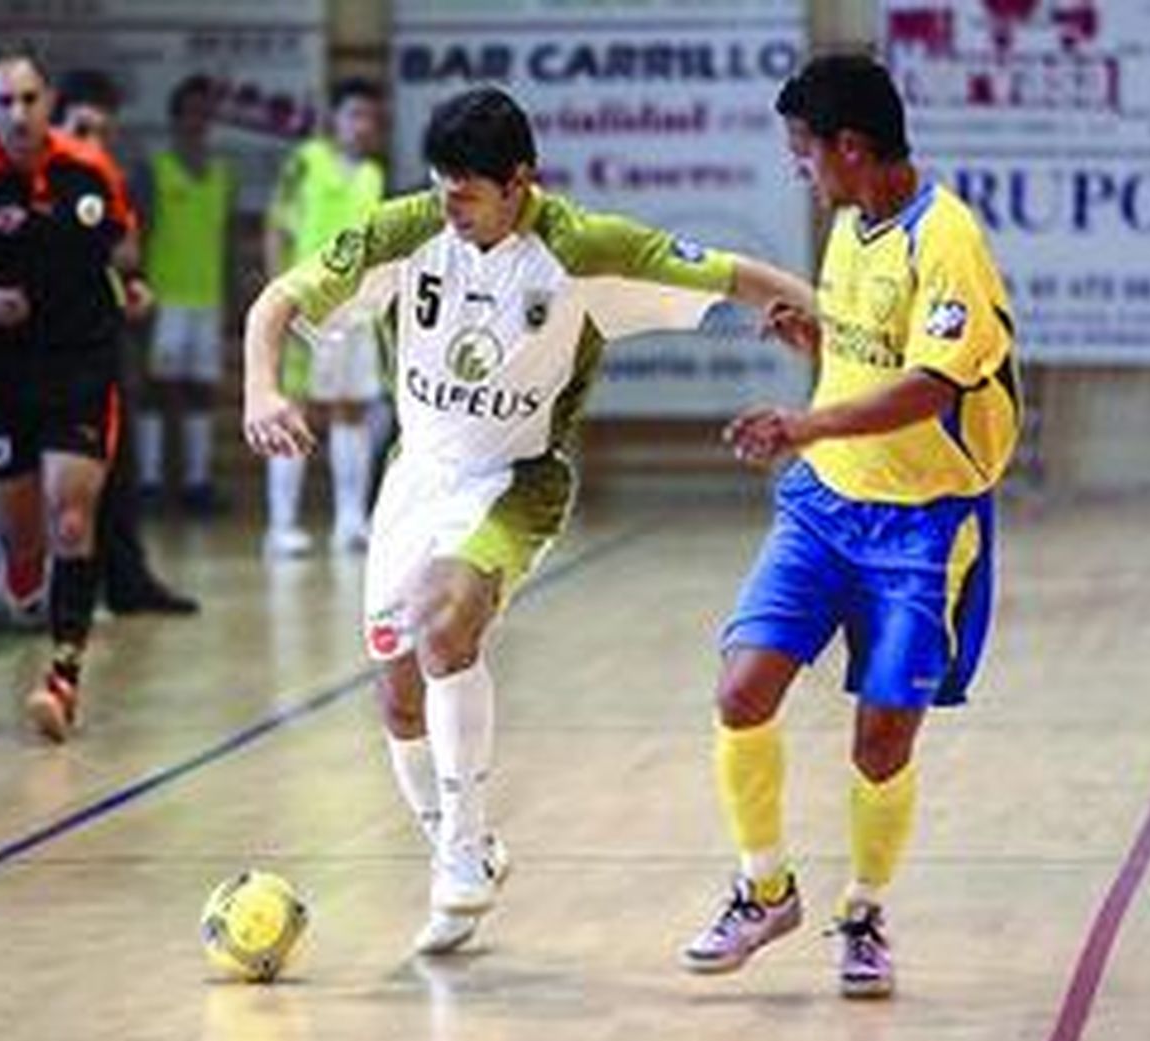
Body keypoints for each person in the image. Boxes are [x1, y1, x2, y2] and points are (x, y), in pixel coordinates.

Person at [242, 87, 811, 955]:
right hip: (416, 477)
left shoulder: (582, 250)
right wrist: (261, 387)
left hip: (516, 479)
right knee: (395, 697)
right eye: (441, 190)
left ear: (520, 183)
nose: (450, 208)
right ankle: (461, 845)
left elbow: (729, 272)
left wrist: (829, 320)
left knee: (445, 623)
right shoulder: (407, 231)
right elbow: (276, 300)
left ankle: (462, 858)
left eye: (467, 194)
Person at [678, 54, 1019, 999]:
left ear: (853, 148)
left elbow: (931, 383)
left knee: (881, 739)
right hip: (826, 504)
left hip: (922, 523)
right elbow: (874, 354)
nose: (801, 169)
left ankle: (863, 912)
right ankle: (764, 890)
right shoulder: (846, 225)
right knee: (742, 689)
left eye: (805, 152)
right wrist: (816, 342)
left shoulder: (946, 238)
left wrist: (803, 422)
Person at [0, 46, 150, 741]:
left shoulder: (91, 169)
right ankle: (20, 559)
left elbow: (124, 246)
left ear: (49, 103)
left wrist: (130, 285)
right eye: (5, 101)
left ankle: (63, 677)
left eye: (30, 99)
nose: (19, 112)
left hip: (81, 363)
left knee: (72, 518)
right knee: (24, 528)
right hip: (1, 371)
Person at [50, 68, 198, 615]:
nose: (94, 143)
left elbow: (126, 259)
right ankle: (55, 585)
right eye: (82, 129)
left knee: (119, 466)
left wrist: (135, 290)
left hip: (103, 343)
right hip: (43, 354)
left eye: (104, 132)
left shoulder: (110, 184)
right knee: (60, 478)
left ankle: (127, 579)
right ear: (55, 126)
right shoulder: (34, 186)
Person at [261, 76, 388, 557]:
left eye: (371, 118)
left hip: (357, 311)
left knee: (352, 410)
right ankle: (280, 526)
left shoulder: (374, 175)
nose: (363, 126)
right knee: (294, 411)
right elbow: (276, 227)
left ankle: (351, 522)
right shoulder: (305, 162)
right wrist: (281, 297)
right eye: (354, 115)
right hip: (308, 307)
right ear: (334, 117)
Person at [132, 75, 234, 513]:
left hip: (206, 299)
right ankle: (151, 483)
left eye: (206, 112)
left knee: (200, 391)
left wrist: (230, 295)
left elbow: (226, 240)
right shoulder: (155, 169)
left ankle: (197, 482)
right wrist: (139, 291)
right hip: (164, 297)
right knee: (156, 389)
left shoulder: (222, 174)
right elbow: (138, 235)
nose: (199, 120)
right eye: (192, 111)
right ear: (175, 117)